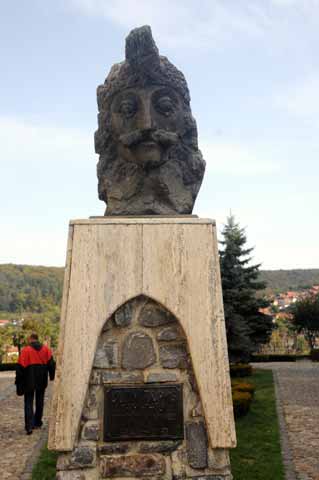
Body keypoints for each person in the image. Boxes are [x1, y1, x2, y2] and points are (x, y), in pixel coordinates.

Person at [15, 333, 56, 435]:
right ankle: (37, 422)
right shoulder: (46, 349)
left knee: (28, 402)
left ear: (30, 339)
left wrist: (18, 381)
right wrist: (52, 376)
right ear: (37, 339)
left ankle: (29, 426)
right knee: (40, 401)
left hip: (29, 380)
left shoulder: (25, 350)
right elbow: (52, 364)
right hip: (42, 380)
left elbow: (20, 368)